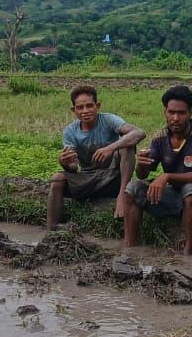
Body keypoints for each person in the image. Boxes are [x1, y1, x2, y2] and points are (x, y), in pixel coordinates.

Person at [124, 85, 192, 254]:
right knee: (134, 188)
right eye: (171, 112)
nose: (175, 118)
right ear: (165, 112)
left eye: (181, 113)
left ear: (190, 113)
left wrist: (167, 176)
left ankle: (190, 252)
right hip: (177, 195)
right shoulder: (160, 137)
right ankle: (129, 248)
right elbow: (143, 174)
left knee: (191, 190)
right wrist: (141, 163)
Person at [46, 85, 145, 229]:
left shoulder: (108, 120)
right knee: (57, 179)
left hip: (113, 177)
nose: (85, 111)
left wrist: (110, 148)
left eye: (89, 106)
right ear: (74, 110)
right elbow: (74, 167)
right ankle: (51, 228)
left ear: (97, 106)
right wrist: (65, 162)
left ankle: (122, 196)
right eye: (80, 107)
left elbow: (139, 133)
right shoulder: (70, 131)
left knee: (127, 145)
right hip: (88, 178)